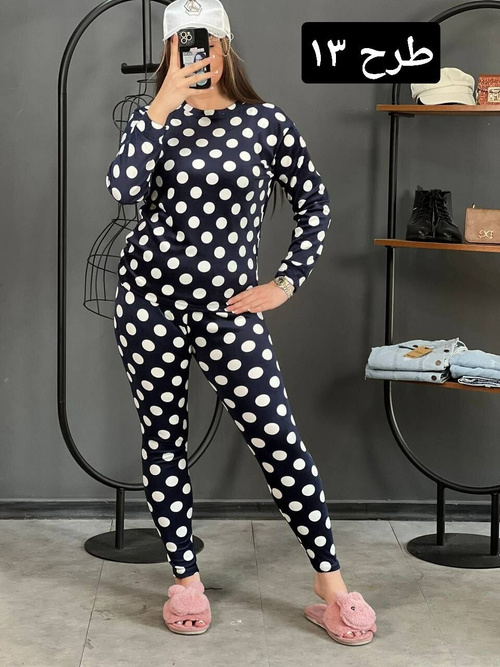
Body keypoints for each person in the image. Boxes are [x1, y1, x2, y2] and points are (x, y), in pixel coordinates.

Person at [105, 0, 376, 645]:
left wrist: (285, 281)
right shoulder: (153, 120)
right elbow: (122, 189)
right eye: (180, 44)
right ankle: (185, 578)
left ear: (225, 45)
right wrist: (162, 103)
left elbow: (314, 203)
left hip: (229, 311)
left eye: (202, 42)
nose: (194, 54)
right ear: (168, 51)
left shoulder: (265, 122)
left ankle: (330, 583)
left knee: (277, 438)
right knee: (163, 438)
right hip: (146, 303)